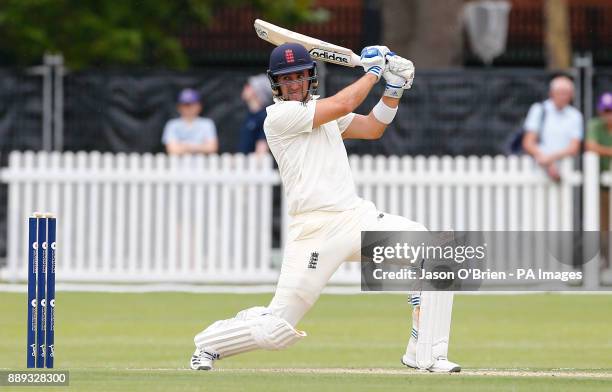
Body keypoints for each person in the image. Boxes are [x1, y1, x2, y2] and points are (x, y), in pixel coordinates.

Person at [190, 43, 460, 373]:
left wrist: (394, 88)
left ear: (310, 78)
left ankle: (427, 354)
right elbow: (345, 102)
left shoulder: (324, 111)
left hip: (354, 218)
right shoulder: (279, 117)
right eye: (285, 79)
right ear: (275, 83)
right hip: (313, 233)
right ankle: (210, 342)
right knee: (276, 329)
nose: (293, 85)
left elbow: (372, 128)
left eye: (299, 77)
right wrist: (375, 72)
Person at [522, 76, 583, 181]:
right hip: (537, 169)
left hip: (565, 170)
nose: (563, 96)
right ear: (551, 93)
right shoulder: (539, 110)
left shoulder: (575, 115)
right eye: (560, 92)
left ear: (572, 95)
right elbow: (528, 142)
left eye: (566, 93)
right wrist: (547, 162)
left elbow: (574, 147)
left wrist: (550, 159)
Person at [585, 92, 612, 267]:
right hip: (600, 183)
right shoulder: (594, 125)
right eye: (606, 111)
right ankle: (604, 257)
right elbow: (590, 146)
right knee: (602, 222)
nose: (609, 115)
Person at [162, 88, 218, 155]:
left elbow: (212, 148)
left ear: (199, 106)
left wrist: (185, 146)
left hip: (202, 164)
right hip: (178, 164)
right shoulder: (172, 124)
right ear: (179, 107)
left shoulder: (207, 123)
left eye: (192, 104)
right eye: (186, 105)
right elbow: (172, 150)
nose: (189, 108)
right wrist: (200, 147)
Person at [238, 74, 272, 154]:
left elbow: (261, 152)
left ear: (257, 91)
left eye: (249, 86)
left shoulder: (265, 118)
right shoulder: (249, 116)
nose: (245, 88)